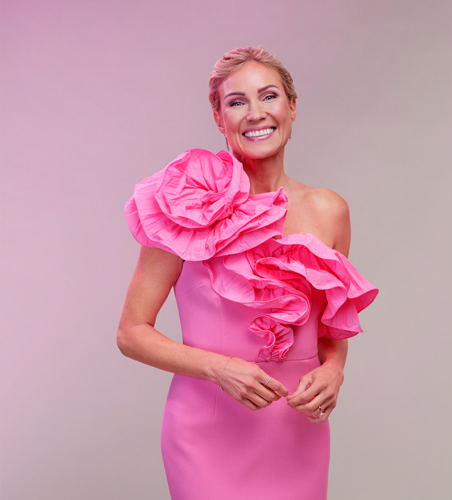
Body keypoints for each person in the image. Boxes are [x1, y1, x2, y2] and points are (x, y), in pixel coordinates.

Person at [117, 46, 379, 500]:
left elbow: (331, 326)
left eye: (269, 96)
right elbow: (131, 332)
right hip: (208, 426)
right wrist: (218, 367)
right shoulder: (183, 203)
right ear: (219, 118)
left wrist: (335, 370)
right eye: (237, 102)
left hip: (296, 426)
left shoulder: (329, 210)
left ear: (292, 107)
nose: (255, 113)